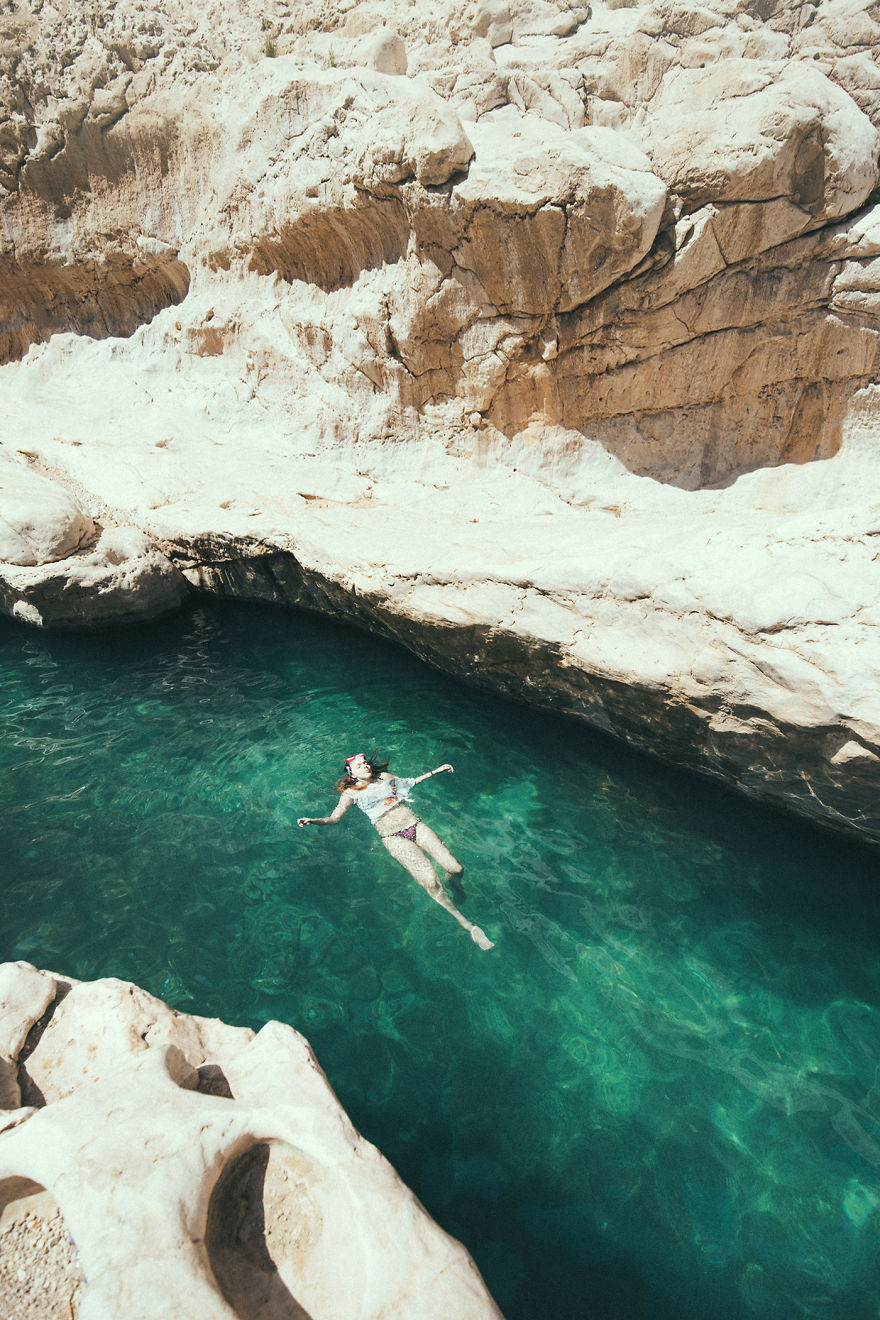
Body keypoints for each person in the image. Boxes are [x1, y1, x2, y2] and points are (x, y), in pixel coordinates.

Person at [298, 751, 495, 950]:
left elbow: (410, 782)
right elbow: (334, 818)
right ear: (352, 774)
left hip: (415, 825)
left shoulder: (384, 777)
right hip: (393, 838)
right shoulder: (350, 793)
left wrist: (436, 771)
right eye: (359, 766)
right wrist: (313, 821)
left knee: (456, 868)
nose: (365, 766)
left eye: (365, 763)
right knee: (430, 882)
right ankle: (468, 925)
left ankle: (454, 883)